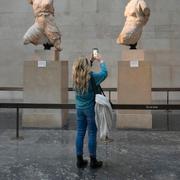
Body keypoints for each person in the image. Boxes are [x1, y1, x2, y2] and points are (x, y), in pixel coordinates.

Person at [72, 54, 108, 169]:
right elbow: (104, 73)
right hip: (90, 109)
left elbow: (84, 71)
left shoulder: (75, 77)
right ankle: (93, 161)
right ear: (86, 66)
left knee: (80, 132)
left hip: (79, 109)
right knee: (92, 133)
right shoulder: (92, 76)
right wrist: (101, 60)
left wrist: (90, 62)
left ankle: (79, 160)